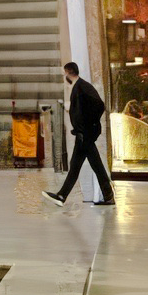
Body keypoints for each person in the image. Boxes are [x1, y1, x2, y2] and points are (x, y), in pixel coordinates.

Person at [49, 61, 112, 206]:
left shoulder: (82, 87)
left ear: (68, 72)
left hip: (84, 135)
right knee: (87, 165)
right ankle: (107, 196)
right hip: (83, 134)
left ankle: (62, 196)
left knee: (83, 166)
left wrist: (88, 124)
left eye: (65, 72)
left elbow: (99, 105)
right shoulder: (80, 87)